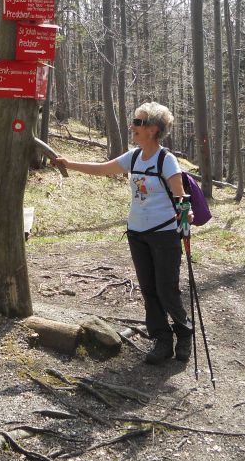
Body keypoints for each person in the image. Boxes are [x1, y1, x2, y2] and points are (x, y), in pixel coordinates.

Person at [54, 102, 195, 365]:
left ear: (153, 129)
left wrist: (186, 217)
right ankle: (162, 340)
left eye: (138, 123)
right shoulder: (133, 157)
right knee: (149, 290)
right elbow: (101, 168)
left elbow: (181, 198)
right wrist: (69, 163)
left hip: (164, 234)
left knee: (167, 289)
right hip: (137, 234)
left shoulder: (166, 160)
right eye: (134, 121)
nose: (132, 126)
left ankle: (184, 334)